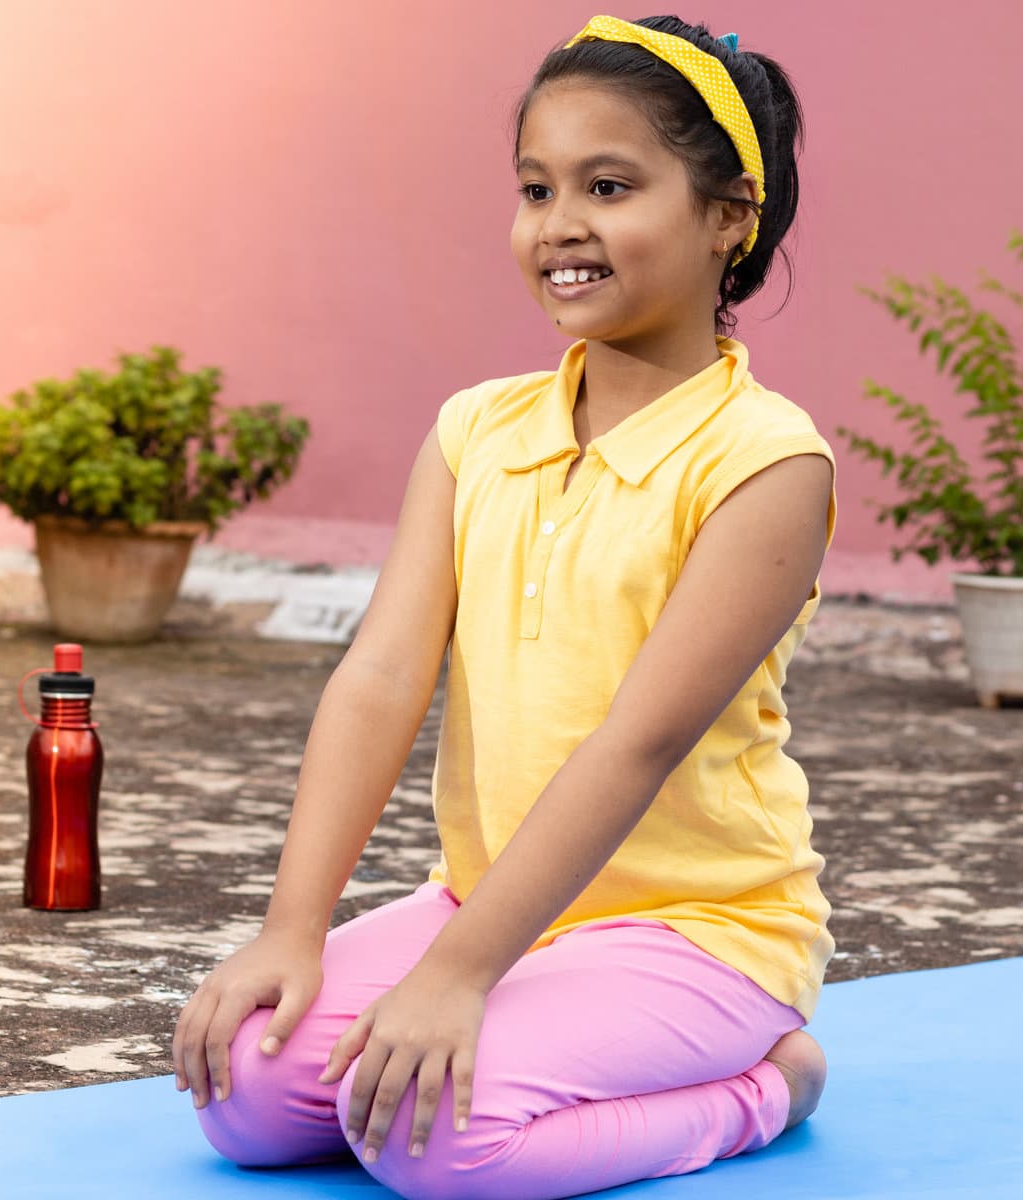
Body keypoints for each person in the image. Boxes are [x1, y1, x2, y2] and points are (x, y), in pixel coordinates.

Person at [172, 14, 834, 1199]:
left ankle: (767, 1086)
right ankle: (475, 999)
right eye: (537, 187)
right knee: (249, 1094)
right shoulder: (478, 429)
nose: (559, 224)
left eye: (611, 184)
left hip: (699, 931)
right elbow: (380, 675)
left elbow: (637, 744)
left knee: (431, 1142)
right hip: (489, 900)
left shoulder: (765, 466)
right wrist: (295, 930)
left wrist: (461, 975)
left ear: (730, 214)